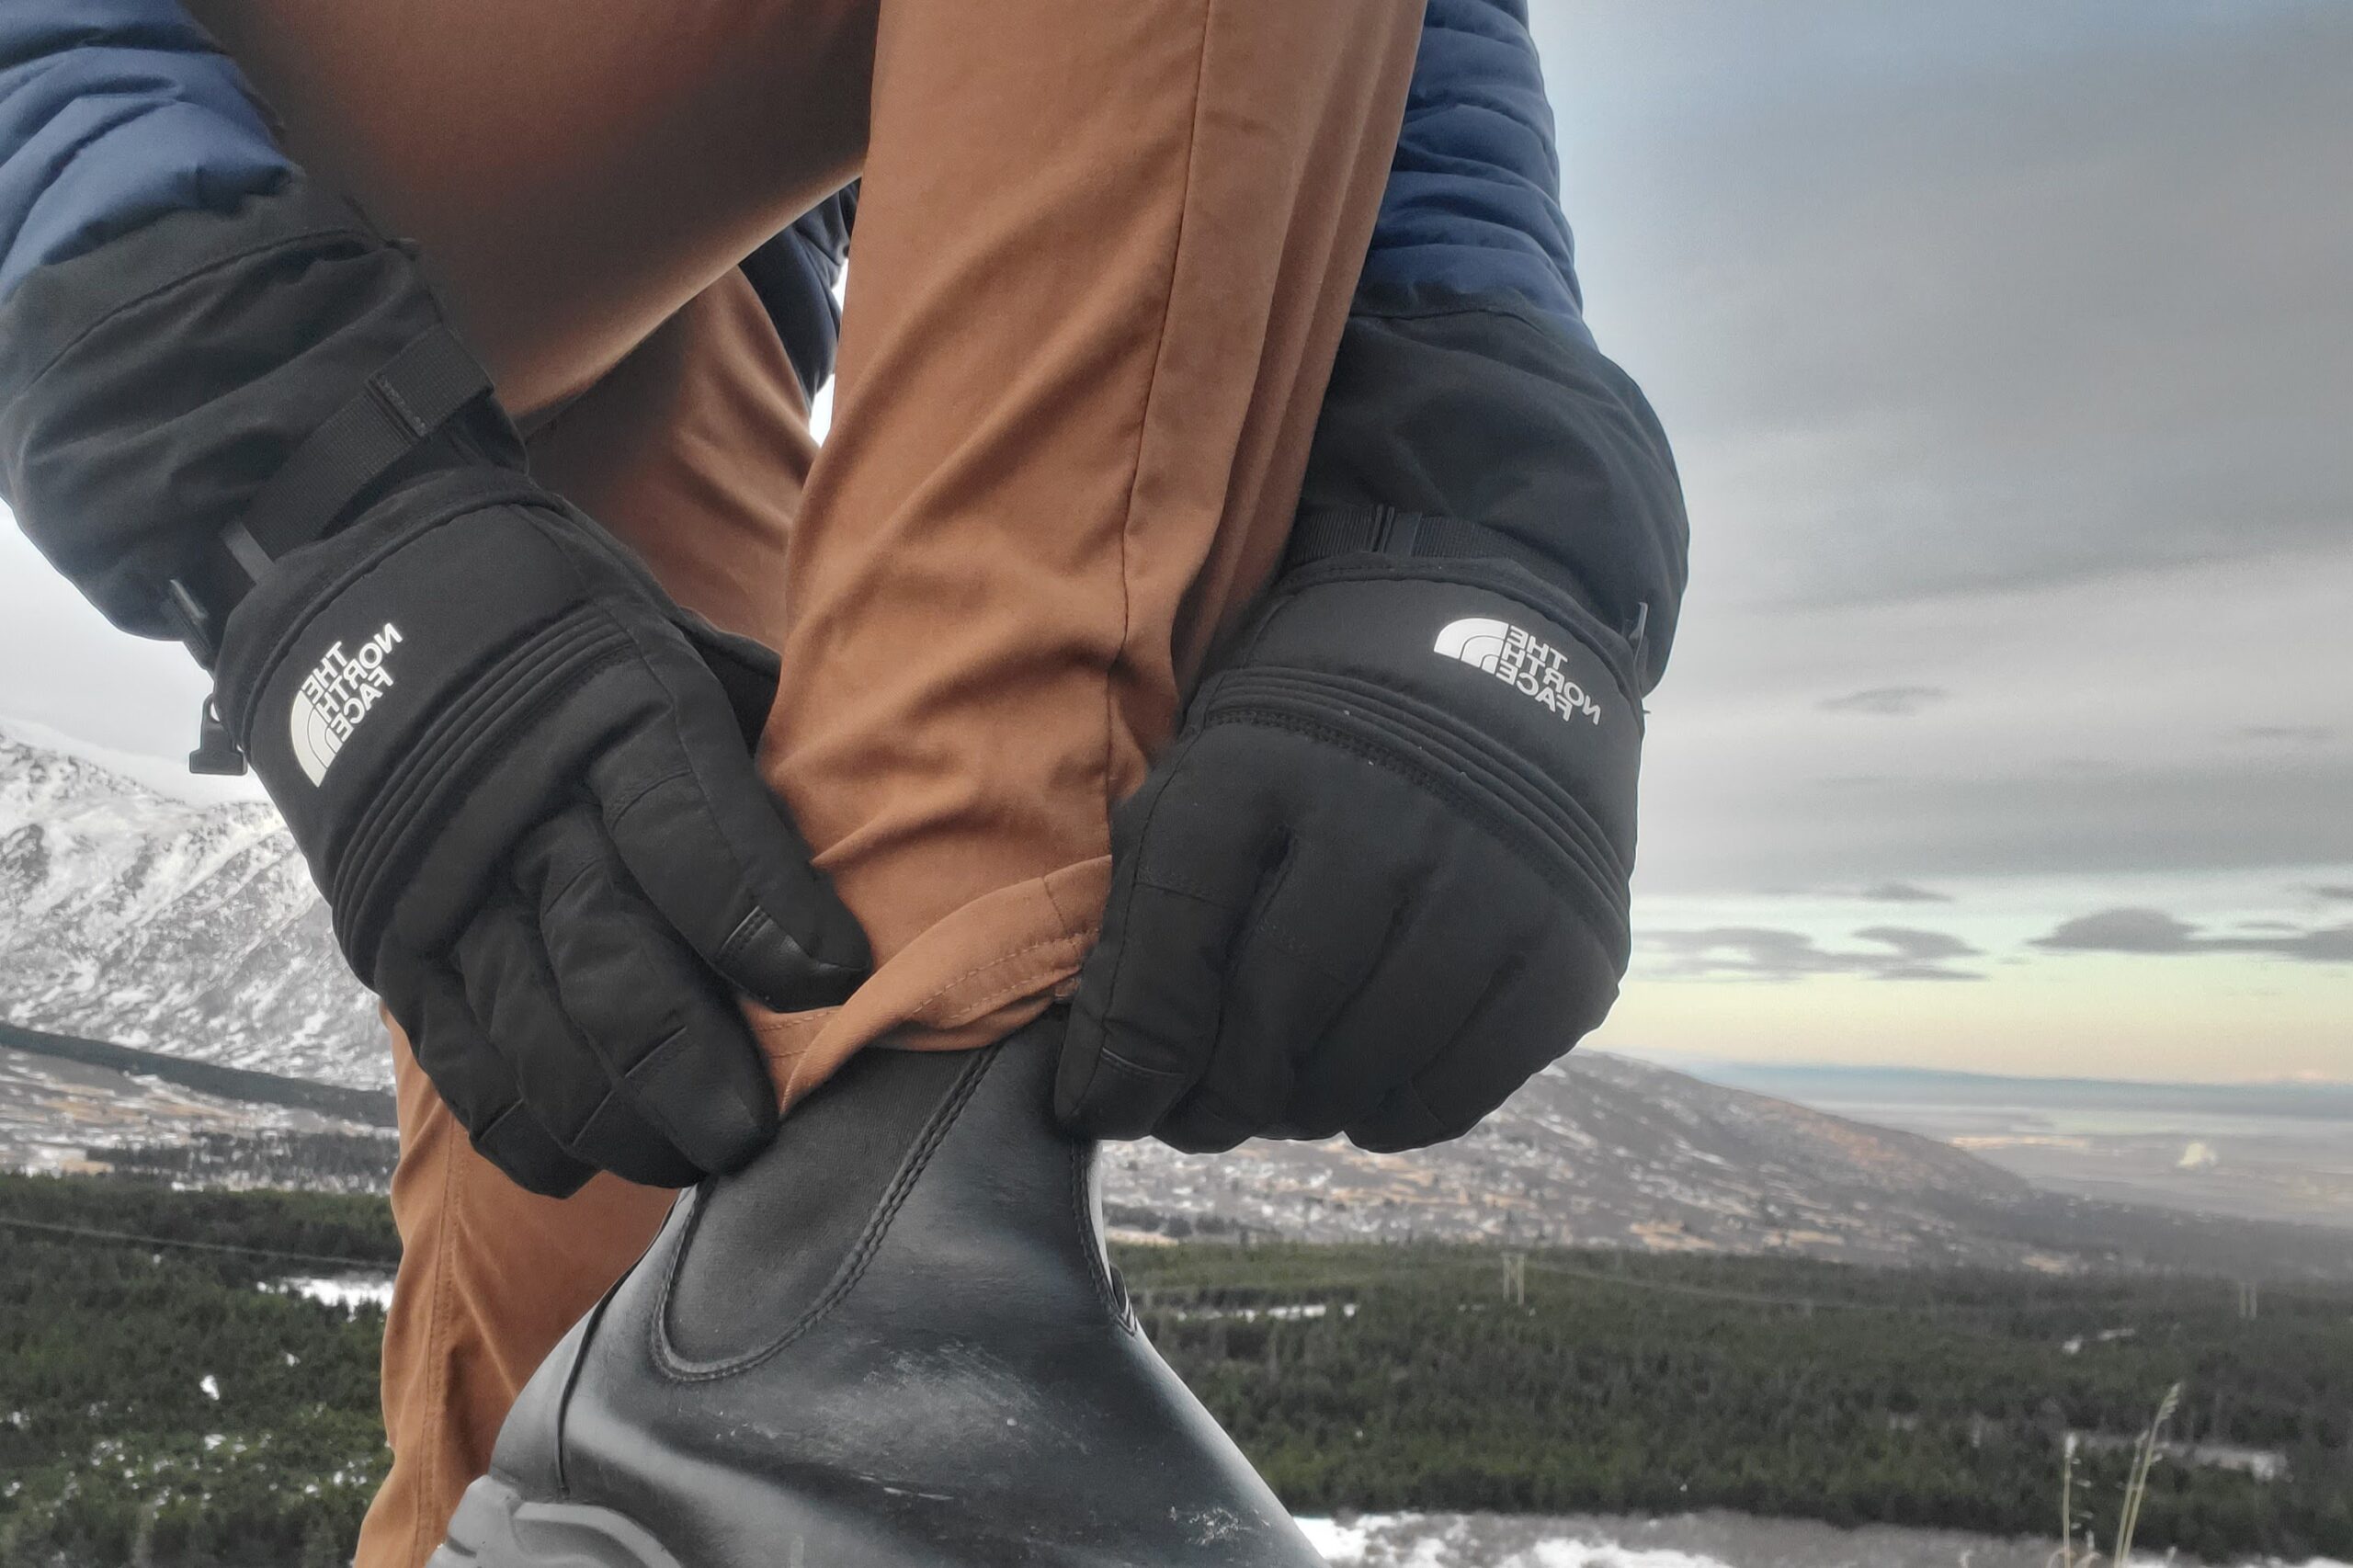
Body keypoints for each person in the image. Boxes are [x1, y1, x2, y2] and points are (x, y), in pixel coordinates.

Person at [0, 0, 1687, 1562]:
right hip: (197, 119)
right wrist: (272, 470)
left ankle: (748, 1369)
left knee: (674, 1066)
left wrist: (1473, 490)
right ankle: (876, 1304)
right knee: (789, 1292)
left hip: (683, 273)